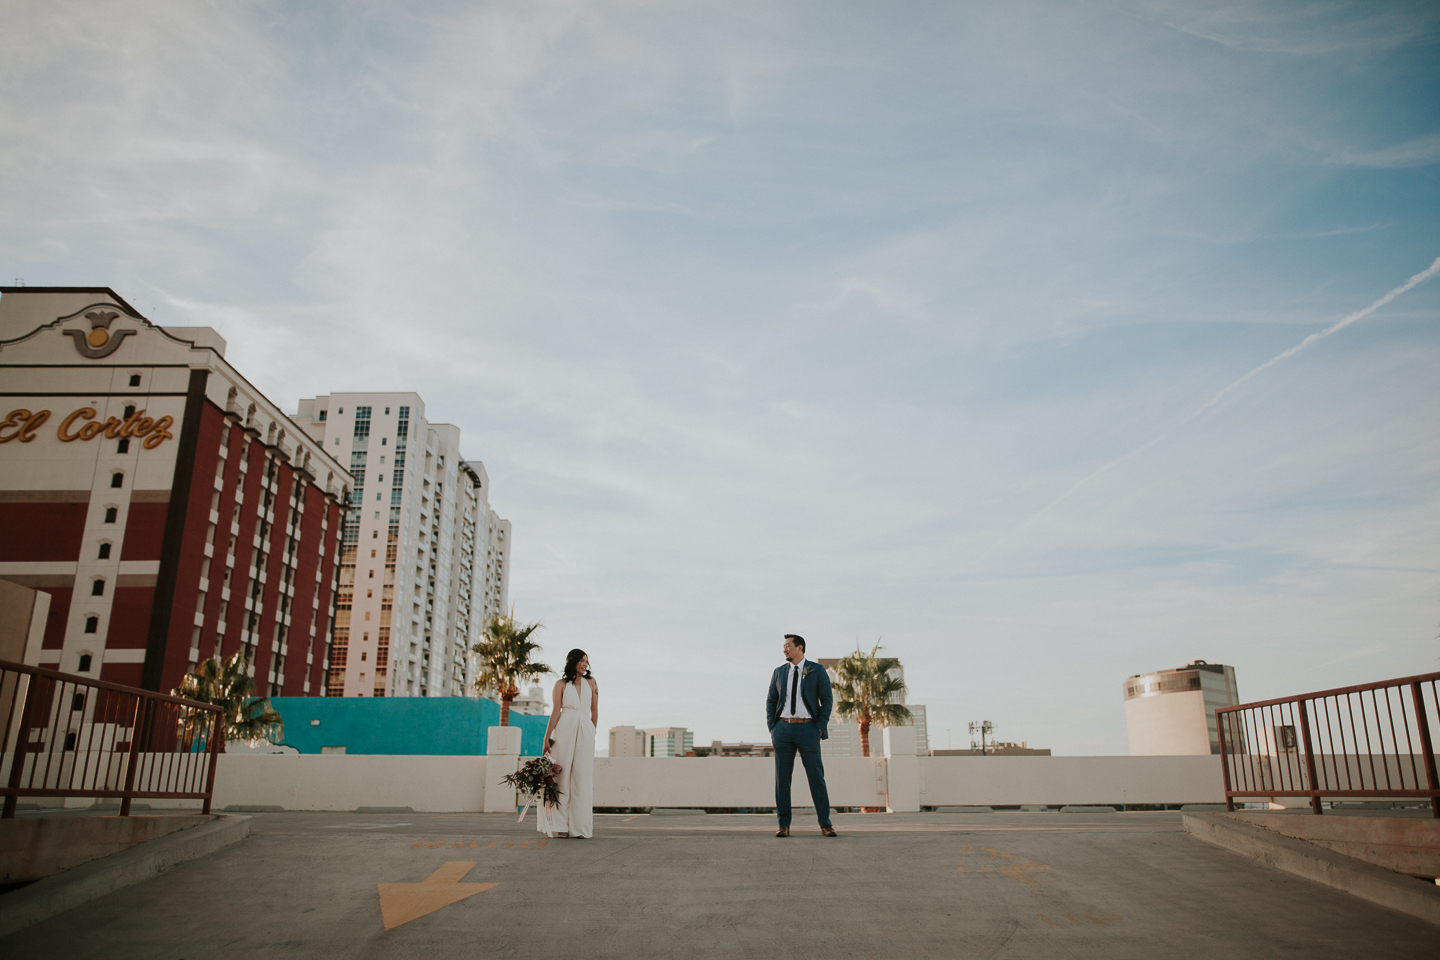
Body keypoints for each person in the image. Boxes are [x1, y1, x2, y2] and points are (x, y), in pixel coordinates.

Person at [766, 633, 837, 837]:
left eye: (788, 645)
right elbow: (771, 701)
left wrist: (819, 727)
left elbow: (827, 700)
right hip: (783, 730)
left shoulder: (816, 670)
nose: (784, 649)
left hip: (808, 730)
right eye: (784, 646)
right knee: (782, 779)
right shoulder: (779, 672)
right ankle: (783, 825)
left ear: (800, 648)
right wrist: (773, 727)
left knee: (816, 777)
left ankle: (825, 824)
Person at [539, 648, 597, 838]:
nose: (585, 664)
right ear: (572, 661)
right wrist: (547, 738)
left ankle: (579, 828)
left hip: (585, 730)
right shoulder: (560, 684)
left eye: (587, 661)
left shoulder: (592, 682)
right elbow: (556, 711)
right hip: (564, 729)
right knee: (561, 777)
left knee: (582, 777)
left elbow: (594, 710)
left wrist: (592, 731)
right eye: (582, 660)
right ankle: (561, 827)